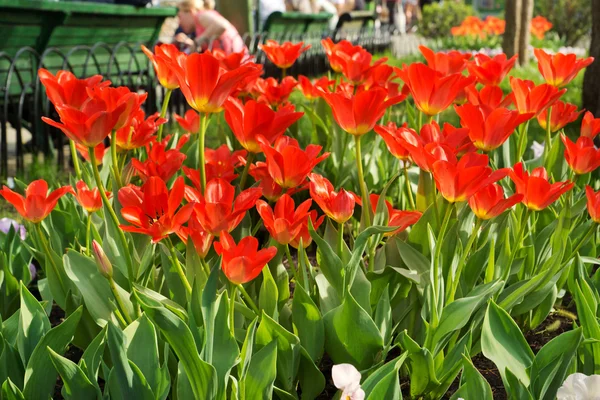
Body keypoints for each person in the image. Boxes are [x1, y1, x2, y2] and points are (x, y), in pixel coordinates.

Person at [175, 0, 247, 55]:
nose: (179, 22)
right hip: (231, 58)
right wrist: (192, 44)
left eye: (180, 17)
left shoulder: (201, 15)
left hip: (236, 58)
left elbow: (221, 25)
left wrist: (198, 41)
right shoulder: (199, 24)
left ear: (190, 12)